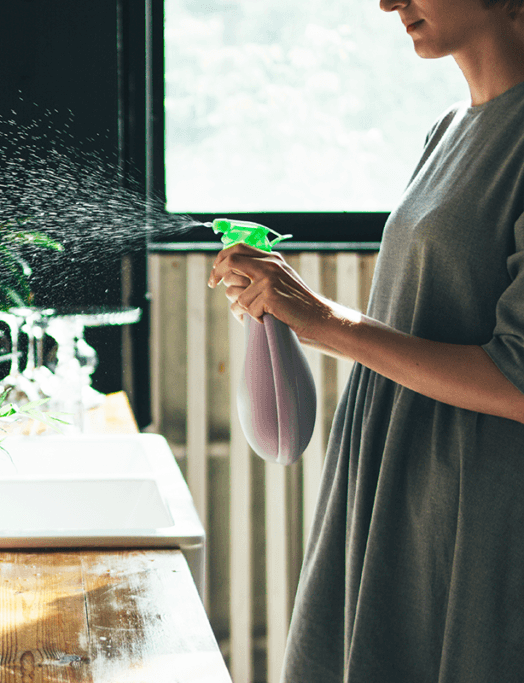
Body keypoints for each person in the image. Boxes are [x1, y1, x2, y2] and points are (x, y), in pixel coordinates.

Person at [207, 0, 524, 680]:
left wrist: (325, 320)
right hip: (395, 490)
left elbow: (518, 379)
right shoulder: (448, 130)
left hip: (474, 523)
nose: (387, 2)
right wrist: (290, 301)